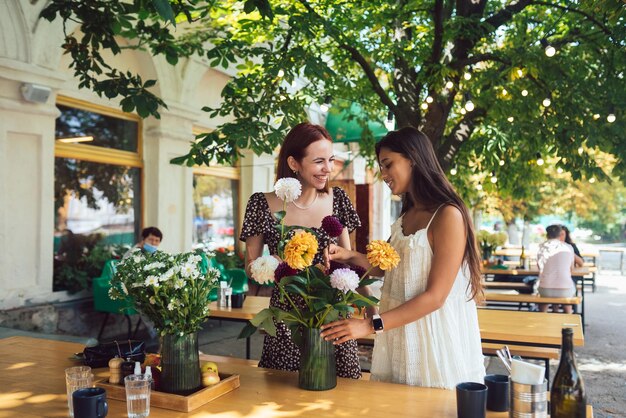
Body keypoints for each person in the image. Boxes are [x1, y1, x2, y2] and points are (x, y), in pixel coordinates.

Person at [321, 127, 485, 389]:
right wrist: (349, 255)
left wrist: (369, 325)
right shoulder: (406, 216)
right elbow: (387, 268)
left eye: (388, 165)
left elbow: (435, 297)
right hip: (399, 333)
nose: (383, 175)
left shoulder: (448, 216)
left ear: (413, 158)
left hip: (431, 338)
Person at [239, 122, 364, 379]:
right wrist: (273, 262)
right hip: (287, 317)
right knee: (284, 395)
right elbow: (251, 268)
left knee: (341, 397)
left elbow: (350, 264)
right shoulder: (261, 204)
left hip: (332, 315)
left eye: (330, 160)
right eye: (319, 161)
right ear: (294, 163)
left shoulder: (338, 199)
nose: (328, 169)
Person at [536, 224, 576, 313]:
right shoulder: (568, 247)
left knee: (543, 300)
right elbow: (571, 269)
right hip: (564, 290)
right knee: (568, 296)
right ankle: (568, 316)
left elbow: (539, 267)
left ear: (547, 235)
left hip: (545, 289)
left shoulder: (541, 247)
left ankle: (542, 316)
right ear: (560, 235)